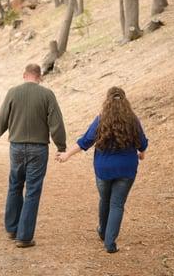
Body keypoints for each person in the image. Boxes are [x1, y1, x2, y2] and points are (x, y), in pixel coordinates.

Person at [56, 86, 148, 254]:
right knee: (117, 204)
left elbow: (85, 141)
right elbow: (142, 142)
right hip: (126, 169)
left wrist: (67, 155)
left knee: (105, 200)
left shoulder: (101, 119)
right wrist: (141, 153)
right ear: (125, 101)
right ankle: (110, 243)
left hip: (104, 169)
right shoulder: (133, 119)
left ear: (107, 101)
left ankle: (102, 230)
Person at [0, 63, 66, 248]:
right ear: (39, 77)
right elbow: (56, 123)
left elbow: (2, 118)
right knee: (32, 191)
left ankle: (11, 228)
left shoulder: (12, 92)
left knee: (15, 186)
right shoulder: (47, 94)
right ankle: (24, 237)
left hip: (16, 147)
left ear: (24, 75)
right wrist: (61, 146)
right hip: (38, 149)